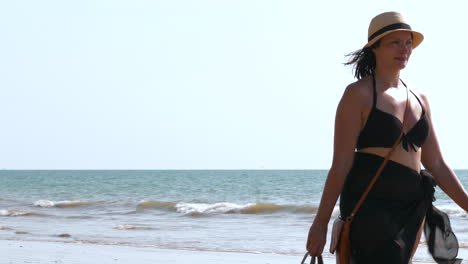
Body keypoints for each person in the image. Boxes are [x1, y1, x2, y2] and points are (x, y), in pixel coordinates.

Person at [305, 11, 468, 264]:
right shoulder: (358, 95)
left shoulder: (420, 99)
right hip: (370, 207)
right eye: (395, 43)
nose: (404, 49)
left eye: (408, 43)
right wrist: (320, 224)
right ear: (375, 48)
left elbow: (436, 164)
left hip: (411, 211)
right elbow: (341, 164)